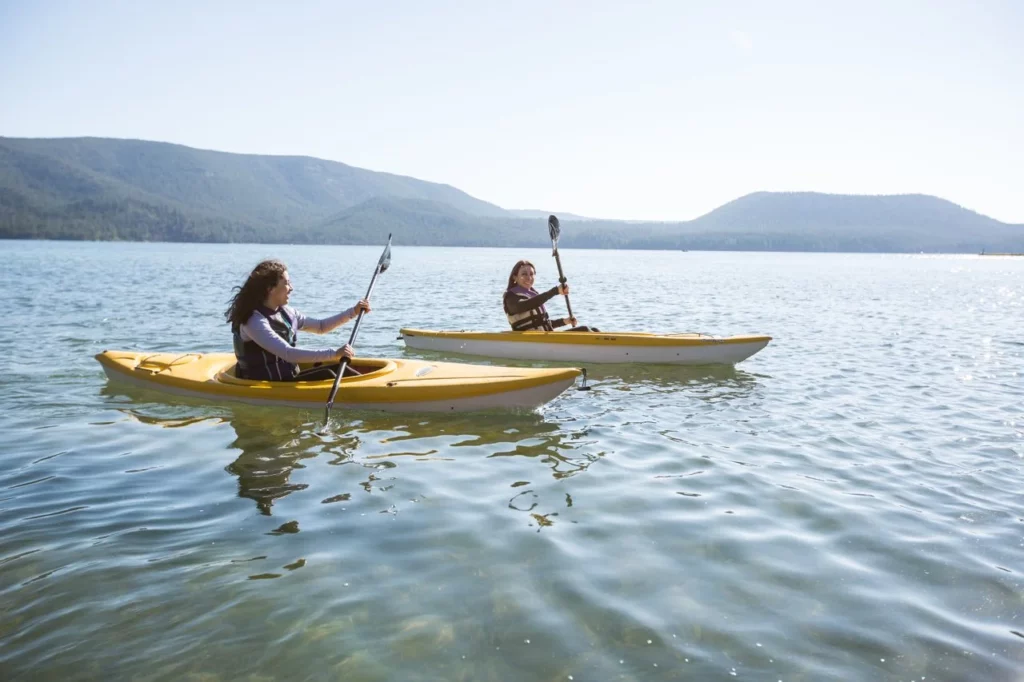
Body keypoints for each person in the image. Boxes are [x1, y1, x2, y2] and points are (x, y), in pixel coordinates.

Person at [225, 259, 370, 381]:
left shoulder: (287, 312)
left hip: (289, 377)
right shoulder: (253, 321)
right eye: (287, 283)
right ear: (270, 288)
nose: (291, 288)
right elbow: (288, 353)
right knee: (329, 374)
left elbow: (320, 327)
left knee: (338, 369)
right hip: (267, 385)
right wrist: (334, 354)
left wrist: (354, 312)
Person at [503, 259, 598, 332]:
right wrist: (555, 291)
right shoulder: (511, 297)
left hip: (545, 337)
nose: (529, 278)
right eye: (524, 274)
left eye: (531, 274)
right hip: (531, 340)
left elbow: (543, 324)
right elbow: (525, 306)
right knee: (584, 330)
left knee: (593, 330)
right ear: (515, 277)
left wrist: (565, 321)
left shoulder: (532, 295)